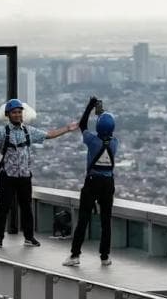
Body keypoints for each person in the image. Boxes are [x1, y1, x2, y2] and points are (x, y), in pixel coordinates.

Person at [0, 98, 78, 248]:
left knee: (26, 208)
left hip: (24, 176)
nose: (17, 115)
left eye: (19, 112)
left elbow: (48, 135)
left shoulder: (28, 131)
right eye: (14, 112)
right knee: (3, 208)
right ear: (8, 115)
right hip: (8, 176)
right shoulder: (2, 132)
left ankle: (29, 237)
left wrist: (67, 129)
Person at [63, 96, 119, 267]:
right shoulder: (115, 143)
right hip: (108, 183)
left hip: (92, 181)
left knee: (84, 219)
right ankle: (104, 257)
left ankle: (75, 256)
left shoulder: (92, 140)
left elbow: (83, 125)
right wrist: (101, 114)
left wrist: (90, 106)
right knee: (106, 221)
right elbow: (106, 129)